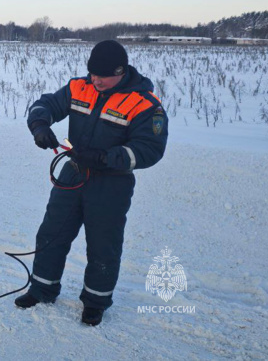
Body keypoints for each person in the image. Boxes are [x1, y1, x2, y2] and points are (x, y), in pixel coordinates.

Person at [15, 40, 168, 326]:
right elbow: (45, 104)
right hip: (72, 175)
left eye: (102, 76)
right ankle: (42, 289)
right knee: (51, 234)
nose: (95, 80)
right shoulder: (79, 87)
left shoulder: (144, 104)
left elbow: (149, 150)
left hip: (111, 185)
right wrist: (40, 126)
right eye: (92, 73)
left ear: (120, 72)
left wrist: (104, 158)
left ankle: (95, 302)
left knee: (103, 247)